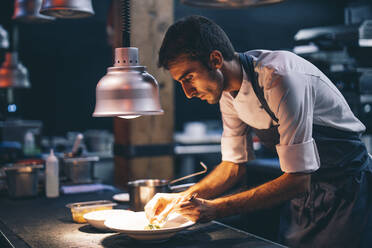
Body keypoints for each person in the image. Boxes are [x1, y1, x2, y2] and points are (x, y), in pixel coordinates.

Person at [144, 15, 372, 247]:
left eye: (189, 77)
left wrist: (216, 209)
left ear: (215, 60)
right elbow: (233, 167)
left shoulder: (280, 78)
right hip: (304, 197)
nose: (188, 92)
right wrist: (180, 198)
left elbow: (298, 179)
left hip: (346, 190)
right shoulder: (227, 94)